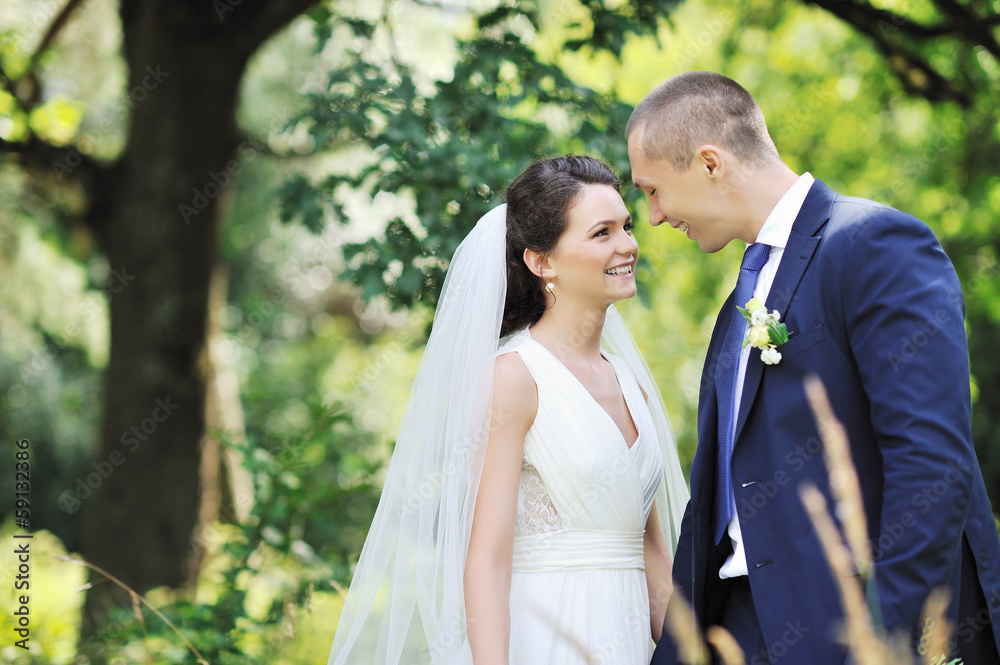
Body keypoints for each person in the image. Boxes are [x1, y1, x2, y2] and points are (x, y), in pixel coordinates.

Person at [626, 71, 1000, 665]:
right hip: (743, 629)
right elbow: (715, 498)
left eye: (652, 190)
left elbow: (931, 464)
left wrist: (878, 642)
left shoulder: (874, 245)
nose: (654, 217)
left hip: (849, 625)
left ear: (710, 163)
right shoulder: (736, 310)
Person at [327, 155, 690, 665]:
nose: (628, 245)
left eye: (626, 227)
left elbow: (650, 552)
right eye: (601, 233)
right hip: (543, 638)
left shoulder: (633, 386)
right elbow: (487, 561)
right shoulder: (514, 379)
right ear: (542, 262)